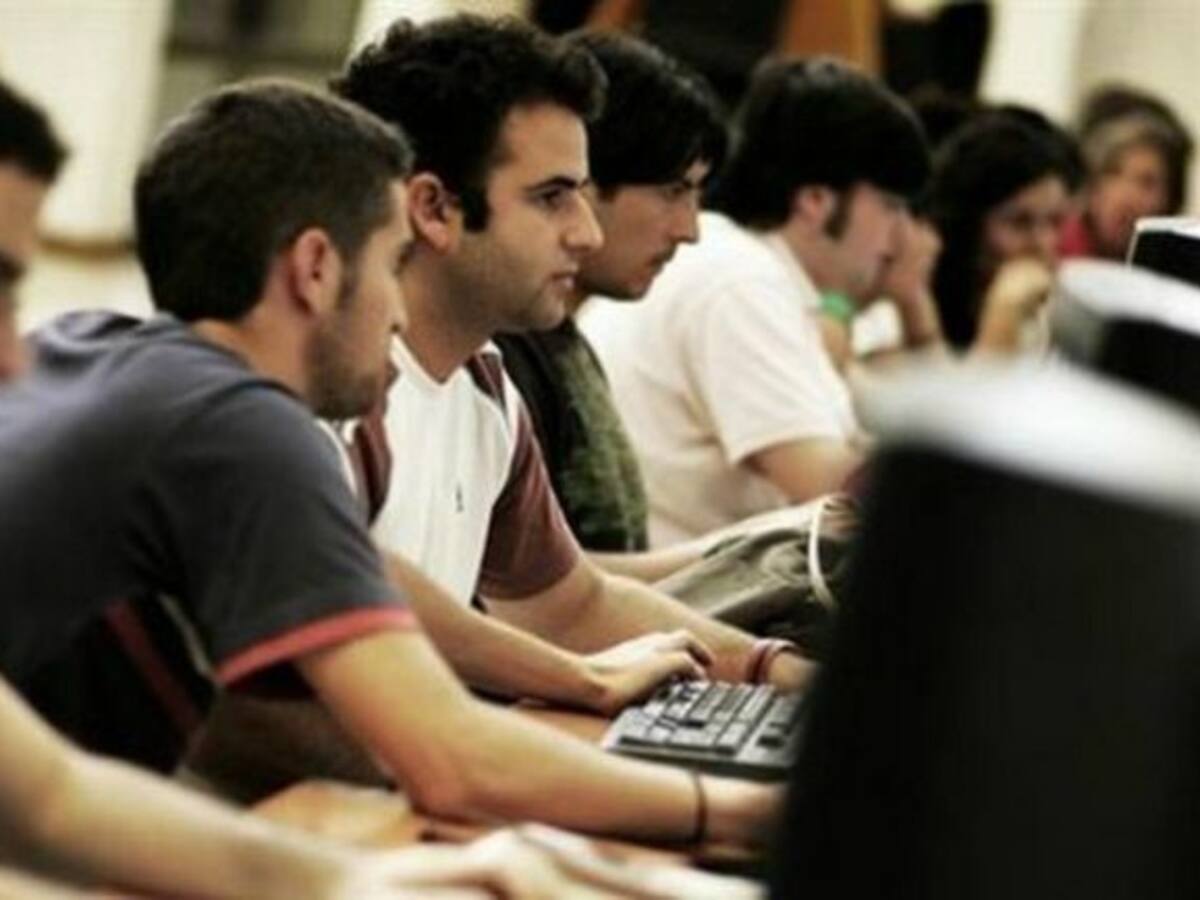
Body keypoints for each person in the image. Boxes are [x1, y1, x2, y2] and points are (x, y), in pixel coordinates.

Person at [0, 77, 775, 845]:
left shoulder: (82, 347)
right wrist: (756, 813)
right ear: (315, 268)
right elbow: (451, 760)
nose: (400, 310)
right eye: (391, 262)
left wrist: (580, 680)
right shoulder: (238, 428)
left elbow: (367, 572)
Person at [327, 15, 808, 711]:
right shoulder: (332, 394)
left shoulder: (486, 383)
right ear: (433, 208)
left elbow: (572, 605)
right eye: (552, 197)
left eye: (582, 194)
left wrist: (781, 675)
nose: (586, 233)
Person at [584, 57, 931, 544]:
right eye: (891, 207)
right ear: (816, 201)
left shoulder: (756, 274)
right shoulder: (740, 282)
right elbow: (835, 488)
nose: (902, 238)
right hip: (667, 580)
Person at [493, 30, 726, 573]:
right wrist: (753, 554)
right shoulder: (497, 356)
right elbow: (534, 591)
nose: (690, 230)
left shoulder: (564, 342)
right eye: (673, 191)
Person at [927, 107, 1081, 353]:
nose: (1042, 243)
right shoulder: (911, 310)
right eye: (1019, 222)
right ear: (968, 225)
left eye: (1054, 221)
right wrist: (1006, 307)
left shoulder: (1046, 319)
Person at [1060, 83, 1193, 262]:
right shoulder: (1053, 248)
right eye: (1113, 173)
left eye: (1147, 182)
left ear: (1169, 200)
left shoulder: (1176, 266)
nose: (1127, 197)